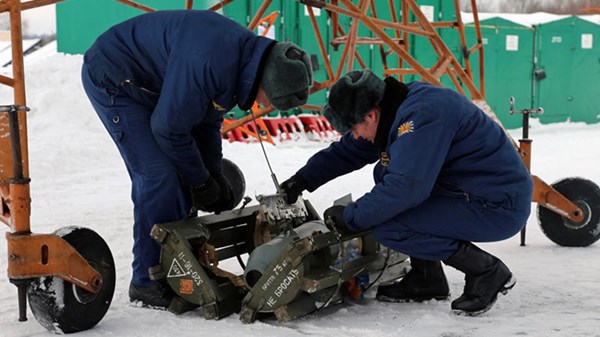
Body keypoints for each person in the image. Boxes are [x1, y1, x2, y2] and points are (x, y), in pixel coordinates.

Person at [81, 10, 313, 308]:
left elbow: (207, 119)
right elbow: (168, 129)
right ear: (265, 78)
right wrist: (201, 182)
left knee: (183, 171)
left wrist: (213, 172)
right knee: (160, 175)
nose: (262, 104)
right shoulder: (211, 61)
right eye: (267, 98)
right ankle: (147, 280)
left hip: (150, 82)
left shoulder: (239, 60)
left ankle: (181, 263)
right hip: (115, 78)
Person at [280, 69, 533, 316]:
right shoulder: (395, 108)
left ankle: (485, 271)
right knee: (386, 172)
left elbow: (405, 189)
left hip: (496, 206)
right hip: (471, 192)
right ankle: (427, 278)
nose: (357, 136)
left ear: (369, 116)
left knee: (389, 225)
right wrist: (304, 178)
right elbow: (350, 150)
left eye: (355, 129)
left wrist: (350, 217)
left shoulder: (422, 116)